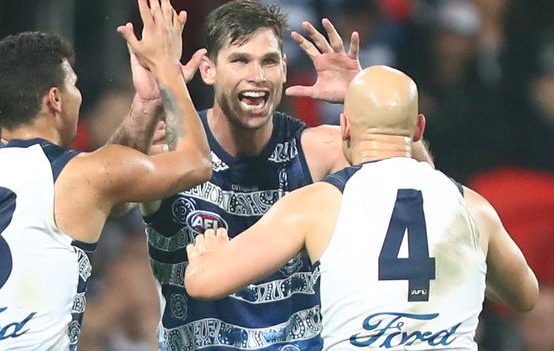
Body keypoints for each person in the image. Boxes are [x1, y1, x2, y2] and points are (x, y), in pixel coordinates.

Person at [135, 0, 432, 350]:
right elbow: (107, 201)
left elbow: (425, 192)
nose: (257, 76)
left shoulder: (318, 151)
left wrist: (368, 108)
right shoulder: (173, 153)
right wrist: (142, 110)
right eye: (240, 60)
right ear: (208, 70)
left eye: (269, 61)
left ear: (285, 69)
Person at [184, 65, 539, 350]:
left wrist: (206, 255)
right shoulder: (473, 208)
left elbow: (205, 283)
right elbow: (525, 296)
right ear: (418, 129)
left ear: (345, 126)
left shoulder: (319, 203)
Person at [0, 0, 211, 350]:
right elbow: (196, 163)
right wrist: (168, 72)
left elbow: (104, 194)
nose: (78, 96)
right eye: (73, 85)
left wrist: (145, 107)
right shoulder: (79, 175)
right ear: (54, 99)